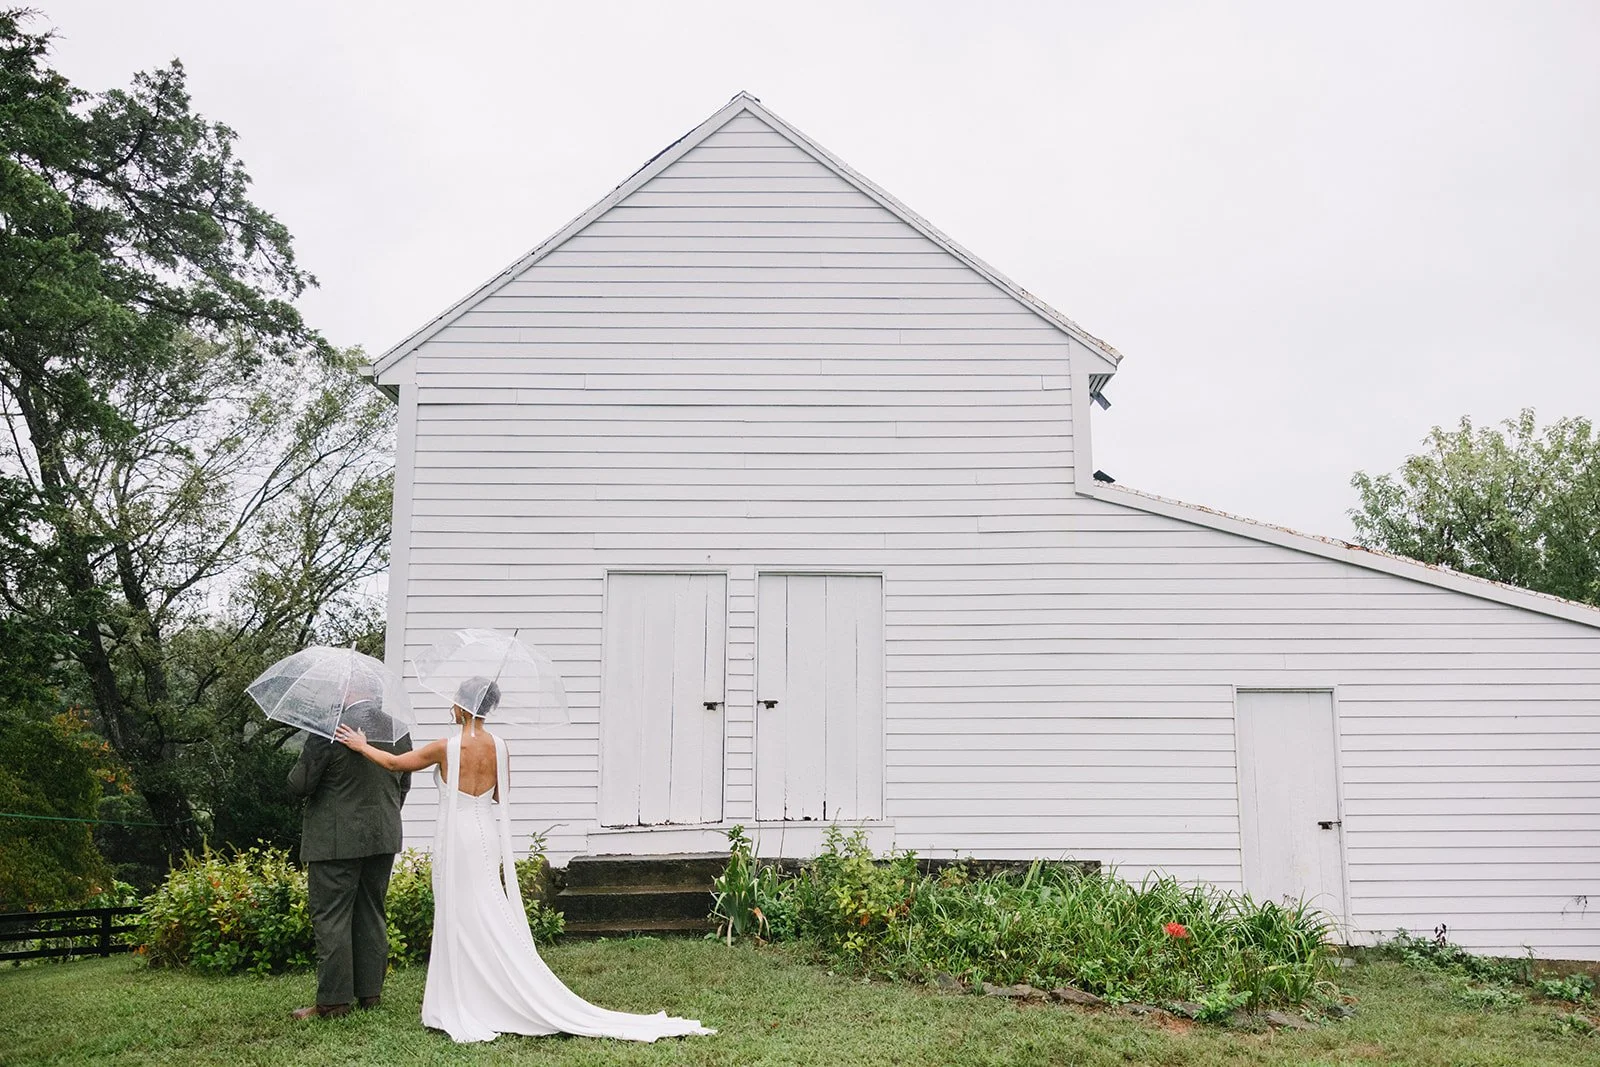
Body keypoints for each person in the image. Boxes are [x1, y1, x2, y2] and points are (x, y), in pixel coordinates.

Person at [334, 676, 714, 1044]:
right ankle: (490, 986)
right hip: (485, 833)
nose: (448, 705)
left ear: (463, 705)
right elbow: (501, 797)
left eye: (453, 699)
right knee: (485, 906)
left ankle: (467, 997)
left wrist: (362, 745)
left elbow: (396, 765)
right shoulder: (499, 747)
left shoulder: (445, 747)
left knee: (461, 911)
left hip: (458, 838)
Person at [287, 701, 413, 1020]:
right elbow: (403, 783)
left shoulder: (328, 728)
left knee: (331, 917)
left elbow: (300, 785)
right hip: (382, 835)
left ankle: (333, 1002)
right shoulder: (397, 731)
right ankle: (370, 994)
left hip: (335, 841)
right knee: (372, 911)